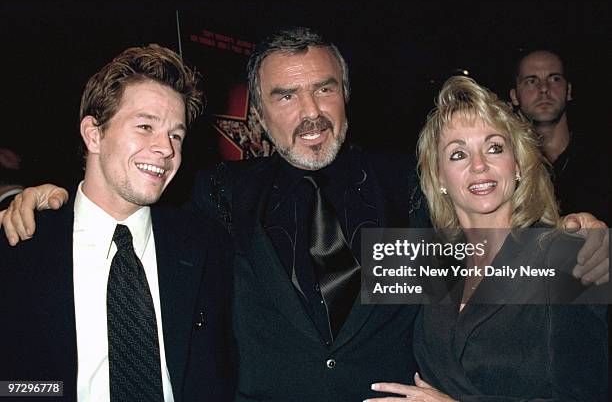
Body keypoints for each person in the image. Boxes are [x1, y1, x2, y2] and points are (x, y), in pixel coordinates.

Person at [0, 28, 608, 401]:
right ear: (258, 116)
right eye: (285, 96)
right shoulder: (213, 197)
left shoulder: (415, 183)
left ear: (347, 95)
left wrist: (579, 236)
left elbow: (503, 250)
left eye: (324, 88)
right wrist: (30, 196)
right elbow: (124, 188)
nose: (310, 111)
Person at [0, 44, 234, 401]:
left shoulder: (206, 247)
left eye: (176, 135)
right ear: (94, 134)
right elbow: (12, 385)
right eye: (145, 126)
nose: (166, 149)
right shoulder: (22, 244)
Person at [367, 76, 607, 401]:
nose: (479, 165)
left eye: (494, 147)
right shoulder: (425, 259)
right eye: (457, 154)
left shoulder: (568, 254)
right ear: (439, 178)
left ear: (518, 164)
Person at [510, 49, 609, 225]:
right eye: (531, 81)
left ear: (568, 90)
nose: (544, 89)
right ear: (514, 96)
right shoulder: (506, 169)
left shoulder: (602, 161)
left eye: (554, 78)